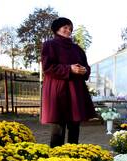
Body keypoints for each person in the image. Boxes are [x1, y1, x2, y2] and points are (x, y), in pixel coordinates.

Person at [41, 17, 96, 147]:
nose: (68, 30)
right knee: (58, 128)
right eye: (65, 27)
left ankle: (72, 156)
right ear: (57, 29)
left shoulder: (77, 49)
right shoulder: (49, 45)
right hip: (58, 90)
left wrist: (84, 70)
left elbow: (86, 67)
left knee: (74, 126)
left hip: (75, 90)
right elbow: (48, 67)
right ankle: (55, 159)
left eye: (70, 28)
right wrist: (69, 68)